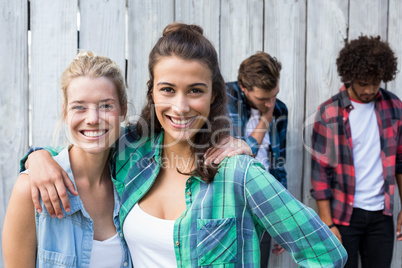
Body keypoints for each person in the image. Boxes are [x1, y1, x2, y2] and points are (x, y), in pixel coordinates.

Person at [22, 23, 347, 267]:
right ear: (152, 93)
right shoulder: (132, 154)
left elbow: (326, 253)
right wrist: (37, 157)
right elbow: (85, 147)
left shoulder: (238, 173)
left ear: (214, 95)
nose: (180, 106)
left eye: (195, 90)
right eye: (167, 89)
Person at [2, 51, 132, 267]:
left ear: (124, 111)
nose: (92, 119)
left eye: (106, 106)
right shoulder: (31, 189)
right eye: (79, 107)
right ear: (65, 113)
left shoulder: (131, 183)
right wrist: (36, 156)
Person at [311, 35, 402, 268]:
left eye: (376, 82)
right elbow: (320, 174)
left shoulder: (394, 107)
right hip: (343, 215)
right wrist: (328, 224)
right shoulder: (330, 112)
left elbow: (400, 161)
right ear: (350, 77)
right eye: (363, 83)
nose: (370, 89)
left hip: (382, 214)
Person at [225, 52, 288, 267]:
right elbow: (238, 154)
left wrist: (282, 218)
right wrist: (265, 120)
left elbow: (278, 165)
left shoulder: (280, 109)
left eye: (275, 95)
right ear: (244, 87)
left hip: (264, 206)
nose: (271, 104)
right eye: (263, 99)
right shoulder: (224, 100)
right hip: (230, 206)